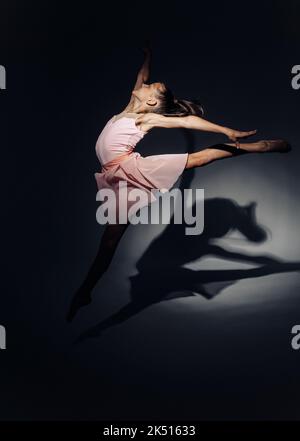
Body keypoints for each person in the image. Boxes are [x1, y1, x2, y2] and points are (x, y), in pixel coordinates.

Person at [66, 43, 291, 322]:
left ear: (149, 102)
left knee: (197, 159)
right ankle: (86, 291)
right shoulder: (129, 108)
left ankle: (257, 147)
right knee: (109, 242)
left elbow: (189, 122)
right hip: (115, 177)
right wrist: (148, 56)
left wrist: (226, 130)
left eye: (152, 87)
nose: (147, 84)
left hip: (130, 169)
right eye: (148, 84)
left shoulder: (145, 118)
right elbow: (141, 77)